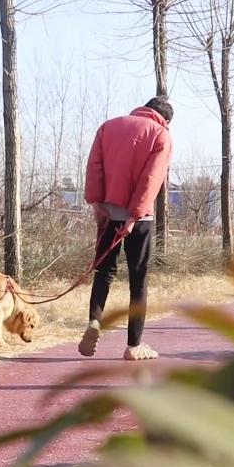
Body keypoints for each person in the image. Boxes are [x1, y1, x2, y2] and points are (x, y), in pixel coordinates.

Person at [78, 96, 174, 361]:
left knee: (104, 271)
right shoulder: (161, 134)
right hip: (138, 219)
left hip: (107, 212)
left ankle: (94, 322)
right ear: (165, 119)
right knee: (138, 279)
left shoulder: (108, 126)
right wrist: (134, 216)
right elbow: (151, 179)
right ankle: (134, 345)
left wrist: (96, 204)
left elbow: (94, 166)